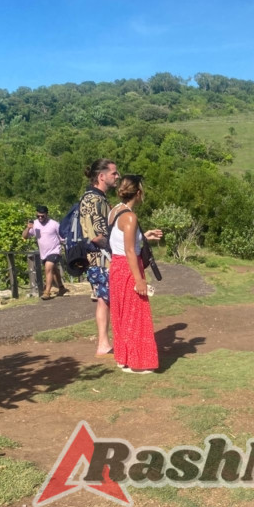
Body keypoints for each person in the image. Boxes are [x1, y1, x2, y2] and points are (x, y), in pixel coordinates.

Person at [107, 175, 163, 373]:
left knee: (122, 313)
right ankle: (137, 362)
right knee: (136, 313)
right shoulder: (130, 217)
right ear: (138, 193)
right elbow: (130, 250)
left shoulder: (116, 211)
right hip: (129, 267)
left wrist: (144, 236)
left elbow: (120, 239)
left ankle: (124, 358)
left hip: (117, 266)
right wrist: (139, 280)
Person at [80, 159, 121, 356]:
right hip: (102, 259)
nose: (117, 176)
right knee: (108, 299)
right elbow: (97, 235)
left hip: (97, 259)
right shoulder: (95, 200)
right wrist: (119, 250)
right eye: (114, 173)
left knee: (103, 300)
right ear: (101, 176)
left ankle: (104, 343)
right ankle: (106, 343)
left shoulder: (95, 198)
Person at [22, 204, 68, 300]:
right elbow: (25, 236)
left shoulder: (54, 224)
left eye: (42, 216)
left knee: (48, 268)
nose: (40, 218)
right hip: (44, 253)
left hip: (55, 250)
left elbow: (62, 237)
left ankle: (47, 292)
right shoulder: (35, 224)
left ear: (47, 214)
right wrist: (28, 228)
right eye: (38, 216)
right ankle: (61, 287)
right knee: (53, 270)